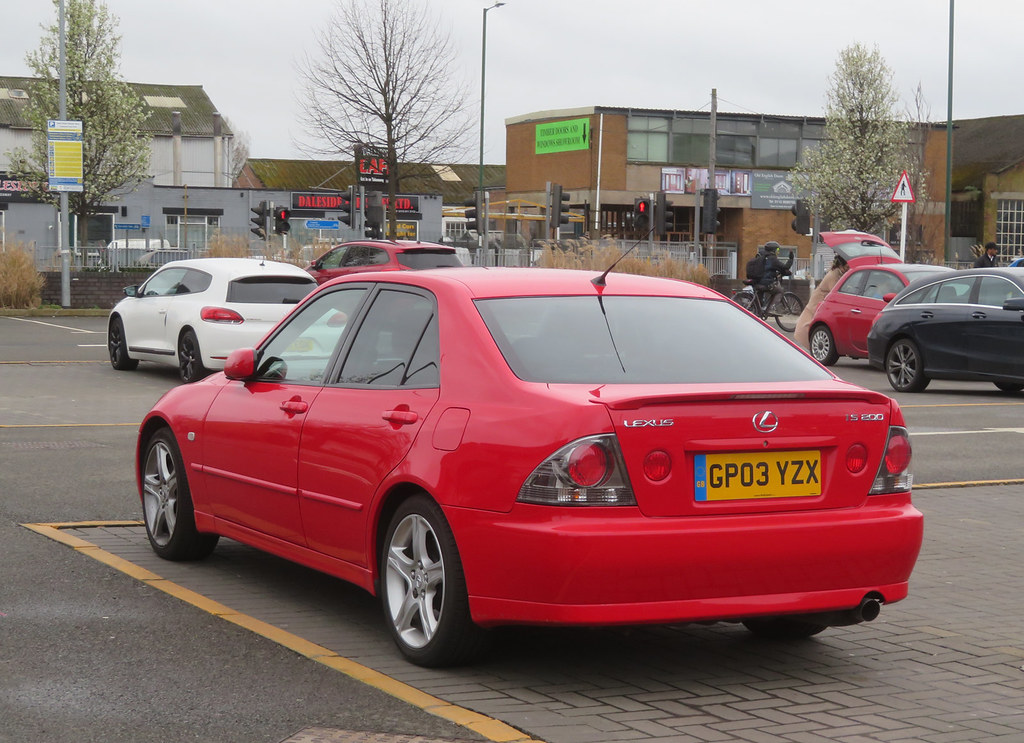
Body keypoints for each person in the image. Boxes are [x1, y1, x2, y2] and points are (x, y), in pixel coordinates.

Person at [795, 254, 849, 349]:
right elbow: (834, 291)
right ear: (841, 266)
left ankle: (808, 345)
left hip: (819, 301)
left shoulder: (837, 273)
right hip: (818, 302)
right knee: (809, 323)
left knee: (810, 323)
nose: (848, 269)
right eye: (847, 267)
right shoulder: (834, 275)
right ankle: (807, 346)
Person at [755, 241, 794, 312]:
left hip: (757, 282)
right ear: (773, 250)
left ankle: (759, 311)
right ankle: (770, 309)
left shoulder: (761, 257)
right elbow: (785, 267)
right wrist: (791, 258)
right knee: (779, 291)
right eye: (778, 250)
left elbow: (768, 269)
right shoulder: (772, 259)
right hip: (765, 283)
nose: (778, 252)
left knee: (759, 301)